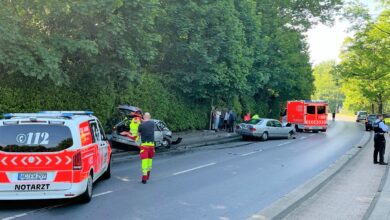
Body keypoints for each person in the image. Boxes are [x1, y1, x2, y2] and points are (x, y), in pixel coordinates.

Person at [138, 112, 155, 184]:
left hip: (144, 146)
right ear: (150, 117)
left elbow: (138, 134)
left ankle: (144, 178)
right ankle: (148, 176)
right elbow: (148, 123)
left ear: (144, 117)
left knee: (144, 162)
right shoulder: (152, 124)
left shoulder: (141, 125)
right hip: (151, 146)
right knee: (149, 161)